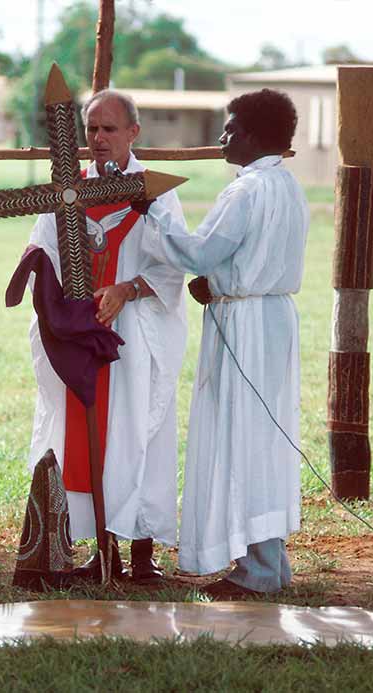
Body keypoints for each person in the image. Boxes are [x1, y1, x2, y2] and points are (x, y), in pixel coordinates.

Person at [138, 89, 309, 597]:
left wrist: (152, 213)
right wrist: (217, 283)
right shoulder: (288, 186)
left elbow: (199, 253)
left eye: (230, 129)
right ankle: (270, 562)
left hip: (245, 323)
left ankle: (258, 570)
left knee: (242, 436)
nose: (221, 138)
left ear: (253, 136)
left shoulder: (246, 191)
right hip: (272, 317)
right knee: (264, 438)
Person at [25, 90, 188, 583]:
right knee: (85, 439)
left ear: (133, 132)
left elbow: (174, 262)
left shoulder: (155, 192)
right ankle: (103, 550)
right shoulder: (67, 191)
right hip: (81, 338)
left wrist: (127, 289)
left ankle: (141, 553)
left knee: (136, 435)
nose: (98, 138)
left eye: (109, 128)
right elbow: (41, 254)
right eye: (91, 128)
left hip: (135, 336)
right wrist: (66, 305)